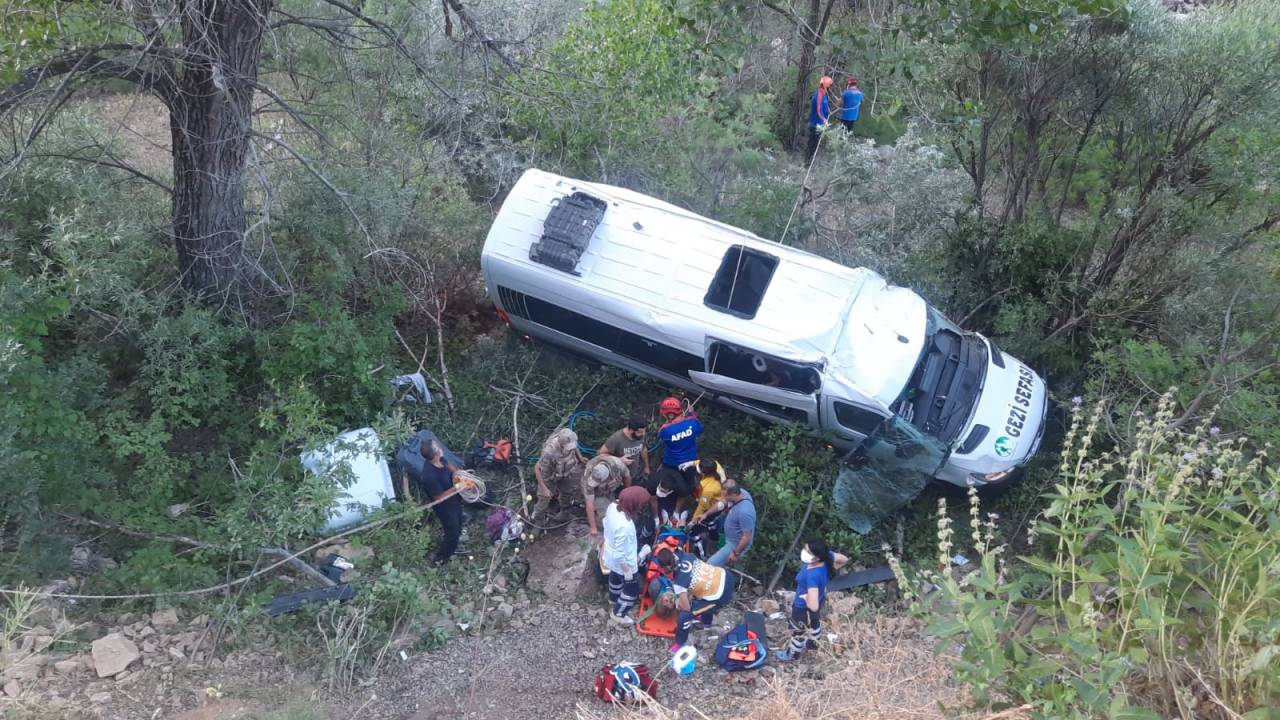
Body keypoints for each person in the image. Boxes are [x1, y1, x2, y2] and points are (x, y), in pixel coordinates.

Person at [774, 538, 849, 662]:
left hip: (802, 607)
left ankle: (792, 655)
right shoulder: (826, 559)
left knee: (798, 631)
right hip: (820, 598)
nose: (804, 551)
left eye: (808, 551)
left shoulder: (812, 576)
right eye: (805, 548)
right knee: (814, 622)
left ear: (817, 557)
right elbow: (844, 559)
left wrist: (806, 597)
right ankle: (813, 644)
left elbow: (813, 606)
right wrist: (831, 560)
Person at [653, 548, 734, 652]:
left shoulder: (679, 581)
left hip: (721, 595)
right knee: (703, 594)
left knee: (684, 616)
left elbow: (686, 607)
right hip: (725, 575)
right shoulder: (685, 555)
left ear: (664, 568)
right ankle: (706, 622)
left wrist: (677, 603)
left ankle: (679, 643)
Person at [603, 486, 651, 625]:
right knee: (631, 589)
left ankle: (613, 599)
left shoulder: (613, 506)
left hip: (609, 553)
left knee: (615, 577)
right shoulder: (625, 526)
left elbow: (605, 522)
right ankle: (618, 613)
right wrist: (628, 571)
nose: (642, 507)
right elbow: (619, 555)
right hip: (623, 562)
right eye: (641, 504)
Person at [415, 439, 463, 565]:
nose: (440, 447)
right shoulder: (429, 476)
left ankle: (456, 541)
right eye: (437, 446)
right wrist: (458, 487)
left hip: (454, 500)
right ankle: (440, 560)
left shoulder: (440, 460)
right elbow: (439, 497)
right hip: (445, 508)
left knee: (459, 522)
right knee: (452, 533)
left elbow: (449, 467)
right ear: (435, 453)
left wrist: (459, 474)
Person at [533, 428, 586, 527]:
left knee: (567, 492)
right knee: (544, 498)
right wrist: (544, 489)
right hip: (549, 477)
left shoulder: (570, 440)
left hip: (566, 472)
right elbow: (537, 469)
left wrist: (580, 457)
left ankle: (564, 513)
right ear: (561, 444)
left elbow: (574, 447)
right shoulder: (549, 452)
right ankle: (538, 520)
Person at [582, 453, 630, 540]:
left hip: (610, 489)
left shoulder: (618, 465)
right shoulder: (589, 478)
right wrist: (593, 528)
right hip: (597, 494)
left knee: (617, 510)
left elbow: (627, 476)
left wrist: (627, 493)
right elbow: (589, 503)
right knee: (605, 516)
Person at [708, 482, 756, 567]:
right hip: (729, 537)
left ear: (733, 495)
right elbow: (723, 502)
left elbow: (747, 536)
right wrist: (706, 514)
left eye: (726, 496)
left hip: (735, 543)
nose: (724, 498)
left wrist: (735, 553)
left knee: (711, 564)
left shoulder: (744, 512)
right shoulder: (741, 492)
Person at [657, 396, 702, 483]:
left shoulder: (665, 430)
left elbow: (661, 434)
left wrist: (669, 422)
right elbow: (700, 428)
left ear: (670, 415)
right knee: (688, 484)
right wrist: (691, 414)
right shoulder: (692, 423)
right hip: (690, 463)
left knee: (667, 484)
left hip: (671, 464)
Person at [599, 416, 650, 484]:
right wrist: (619, 460)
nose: (643, 434)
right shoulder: (616, 438)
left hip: (633, 473)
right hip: (618, 476)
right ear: (631, 430)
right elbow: (601, 454)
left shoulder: (640, 436)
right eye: (640, 432)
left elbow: (643, 449)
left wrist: (646, 467)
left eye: (644, 431)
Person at [806, 75, 833, 163]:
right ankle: (807, 162)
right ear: (826, 86)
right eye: (829, 86)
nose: (830, 88)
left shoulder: (823, 94)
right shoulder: (819, 95)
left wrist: (828, 111)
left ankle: (809, 160)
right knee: (812, 145)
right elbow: (818, 111)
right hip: (816, 125)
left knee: (814, 144)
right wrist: (824, 120)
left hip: (820, 124)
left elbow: (824, 106)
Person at [690, 459, 726, 523]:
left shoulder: (708, 490)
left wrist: (693, 520)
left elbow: (702, 506)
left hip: (712, 507)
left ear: (703, 472)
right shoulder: (714, 467)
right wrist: (690, 463)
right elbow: (703, 462)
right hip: (706, 499)